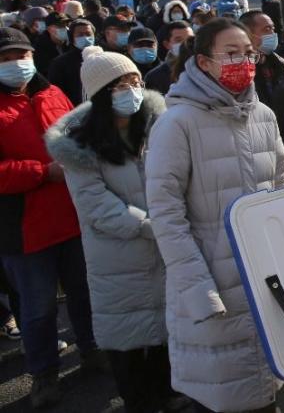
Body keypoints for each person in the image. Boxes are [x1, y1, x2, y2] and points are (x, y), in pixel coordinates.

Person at [145, 18, 284, 412]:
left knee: (267, 387)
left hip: (265, 277)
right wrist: (199, 290)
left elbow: (283, 182)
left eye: (248, 53)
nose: (243, 62)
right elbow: (165, 214)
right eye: (230, 54)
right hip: (214, 285)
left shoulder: (262, 114)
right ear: (204, 62)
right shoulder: (177, 123)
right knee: (225, 395)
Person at [45, 51, 185, 413]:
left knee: (168, 338)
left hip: (165, 249)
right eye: (122, 85)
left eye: (136, 81)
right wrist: (152, 225)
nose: (133, 90)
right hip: (119, 256)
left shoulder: (160, 126)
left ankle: (168, 396)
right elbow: (96, 206)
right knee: (127, 340)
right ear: (101, 92)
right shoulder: (79, 144)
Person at [0, 28, 103, 408]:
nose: (16, 64)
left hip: (73, 216)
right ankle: (43, 373)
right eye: (6, 58)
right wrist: (44, 172)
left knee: (85, 293)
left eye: (21, 56)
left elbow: (77, 135)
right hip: (24, 228)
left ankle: (93, 350)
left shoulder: (52, 94)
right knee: (39, 306)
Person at [238, 10, 284, 114]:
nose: (273, 34)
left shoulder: (282, 65)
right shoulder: (237, 72)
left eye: (273, 28)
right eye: (267, 29)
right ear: (248, 34)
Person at [48, 18, 97, 106]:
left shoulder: (103, 57)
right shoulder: (60, 63)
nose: (85, 37)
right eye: (80, 35)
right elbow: (56, 92)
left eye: (88, 34)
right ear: (72, 38)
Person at [145, 21, 194, 95]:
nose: (186, 44)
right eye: (179, 40)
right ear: (167, 44)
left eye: (190, 39)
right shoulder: (155, 77)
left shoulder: (208, 68)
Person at [33, 12, 70, 77]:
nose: (65, 28)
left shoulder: (71, 43)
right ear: (49, 29)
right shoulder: (39, 47)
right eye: (60, 25)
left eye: (67, 24)